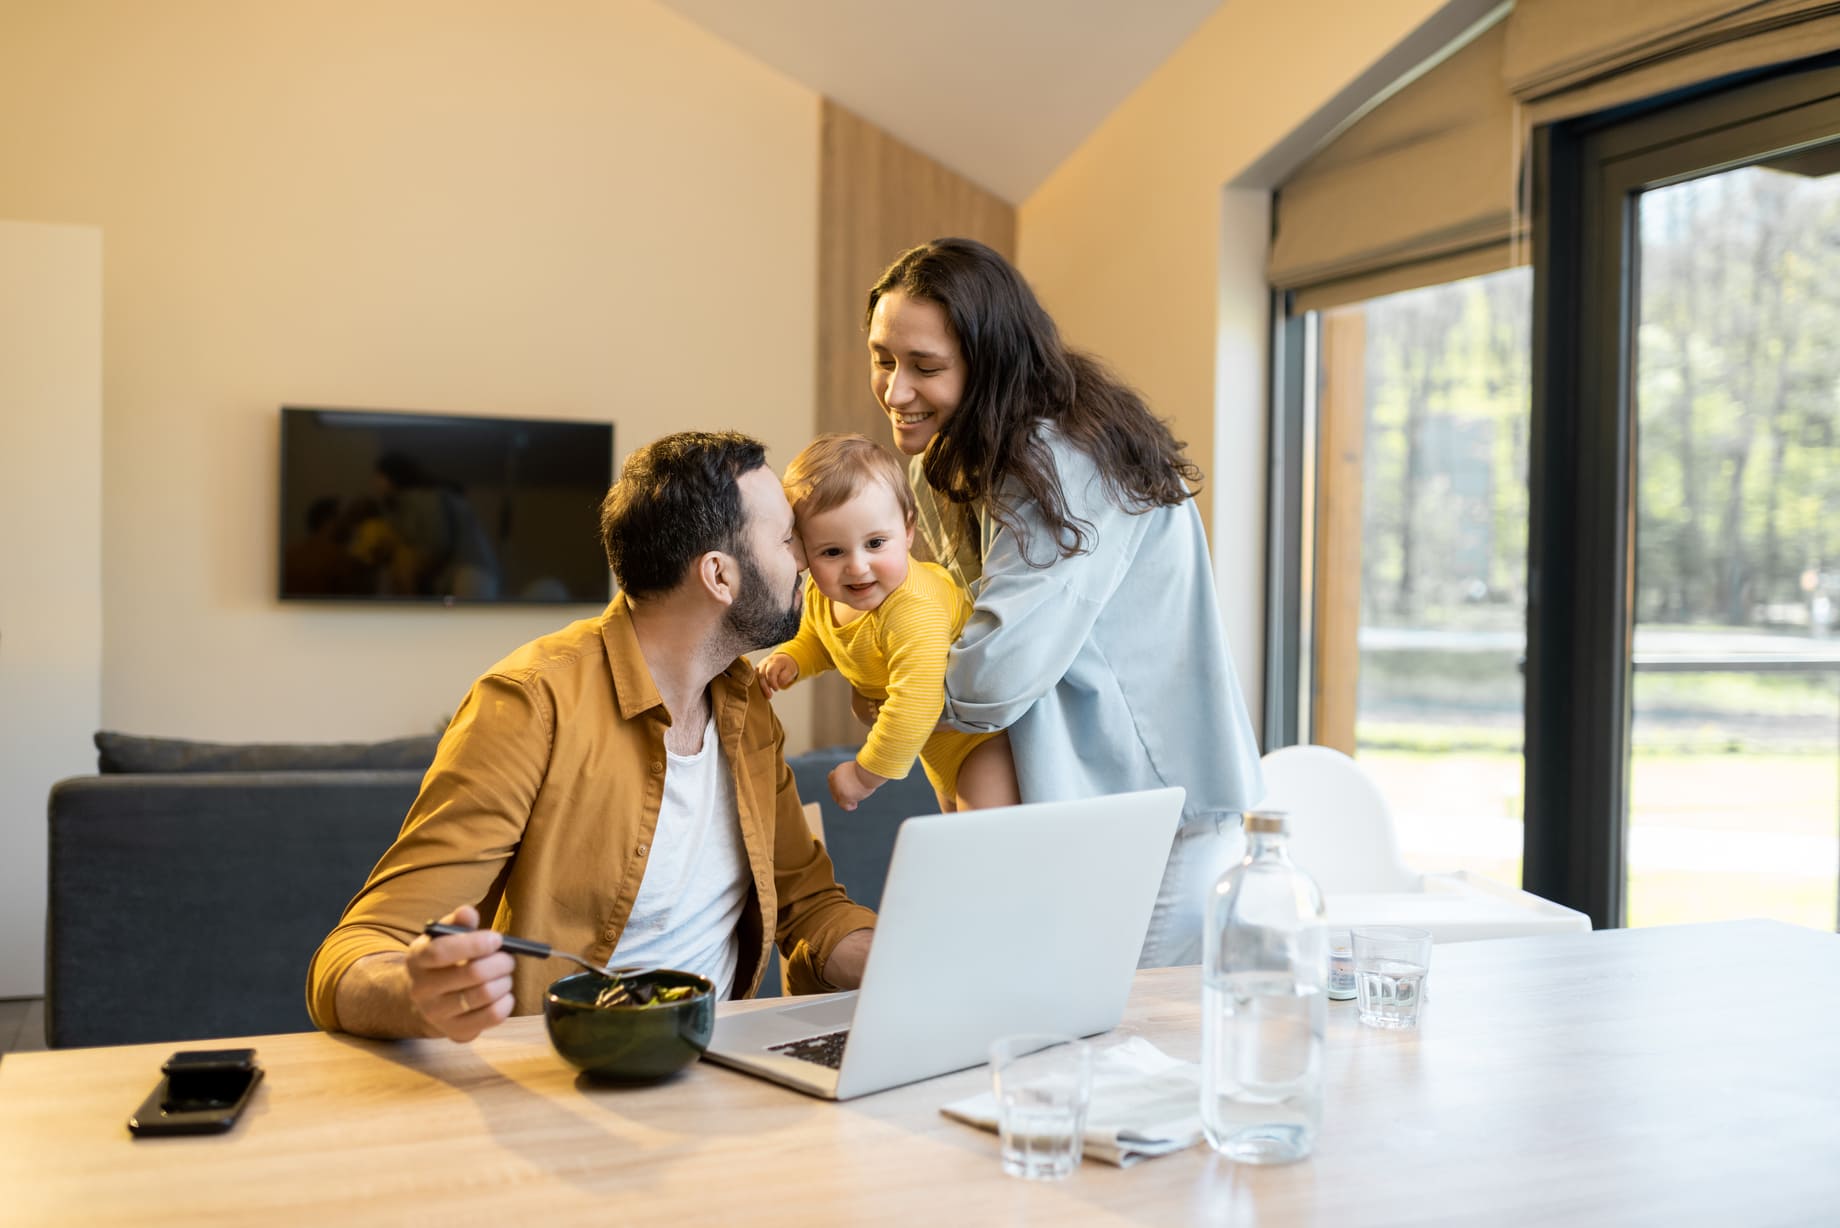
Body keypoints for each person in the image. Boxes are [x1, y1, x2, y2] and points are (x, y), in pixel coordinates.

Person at [306, 431, 877, 1041]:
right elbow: (354, 955)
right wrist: (415, 991)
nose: (806, 560)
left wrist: (904, 962)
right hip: (562, 1081)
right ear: (718, 574)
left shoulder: (748, 707)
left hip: (719, 1075)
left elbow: (809, 905)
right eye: (787, 539)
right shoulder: (530, 703)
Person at [863, 237, 1264, 968]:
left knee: (1122, 1052)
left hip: (1156, 814)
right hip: (1088, 809)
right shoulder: (954, 459)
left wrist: (892, 684)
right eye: (883, 358)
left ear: (988, 366)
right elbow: (967, 625)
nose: (894, 391)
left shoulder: (1061, 460)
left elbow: (993, 673)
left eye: (925, 367)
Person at [757, 433, 1019, 814]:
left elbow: (917, 701)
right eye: (832, 551)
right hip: (936, 749)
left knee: (986, 852)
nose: (858, 566)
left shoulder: (912, 607)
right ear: (803, 552)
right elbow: (823, 637)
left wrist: (864, 775)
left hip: (984, 743)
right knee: (961, 850)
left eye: (876, 543)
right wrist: (794, 658)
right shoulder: (822, 594)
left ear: (908, 530)